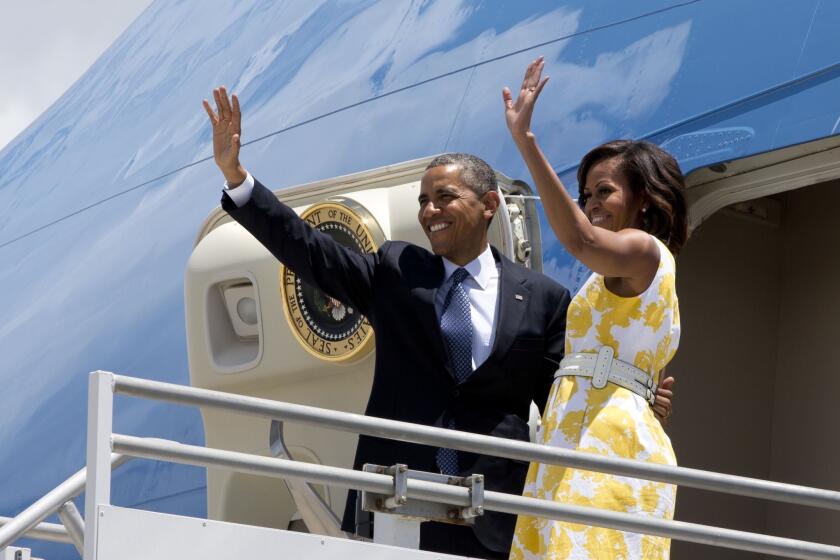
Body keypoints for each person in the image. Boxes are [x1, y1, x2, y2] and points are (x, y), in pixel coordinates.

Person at [202, 86, 674, 558]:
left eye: (445, 197)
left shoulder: (545, 299)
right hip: (394, 503)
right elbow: (307, 248)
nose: (429, 211)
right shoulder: (396, 271)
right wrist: (238, 178)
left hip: (492, 519)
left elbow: (563, 400)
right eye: (424, 201)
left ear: (489, 204)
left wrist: (634, 399)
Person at [502, 57, 687, 559]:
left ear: (644, 199)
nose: (591, 204)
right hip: (572, 432)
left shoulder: (646, 251)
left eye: (604, 191)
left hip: (605, 441)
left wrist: (527, 143)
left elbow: (581, 239)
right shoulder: (622, 274)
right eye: (586, 194)